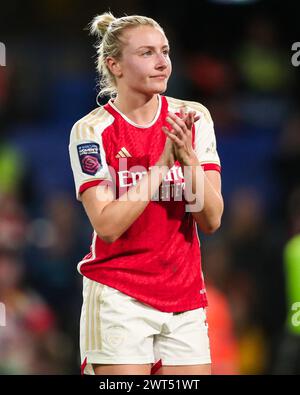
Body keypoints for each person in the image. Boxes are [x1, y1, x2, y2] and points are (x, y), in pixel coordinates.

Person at [68, 12, 223, 376]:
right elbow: (107, 225)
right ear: (115, 65)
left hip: (184, 298)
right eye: (146, 53)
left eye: (165, 51)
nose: (161, 62)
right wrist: (158, 167)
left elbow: (212, 218)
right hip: (119, 297)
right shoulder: (91, 130)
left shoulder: (192, 117)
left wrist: (186, 160)